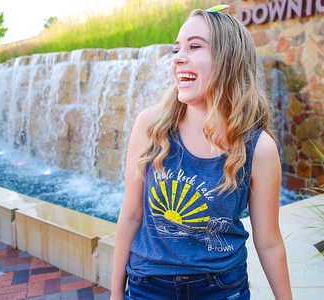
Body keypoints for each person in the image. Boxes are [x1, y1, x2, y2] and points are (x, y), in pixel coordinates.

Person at [110, 5, 292, 300]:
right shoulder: (151, 126)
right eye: (176, 49)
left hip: (221, 288)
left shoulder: (258, 148)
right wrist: (116, 293)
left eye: (194, 46)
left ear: (228, 60)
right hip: (148, 286)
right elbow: (130, 216)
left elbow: (269, 242)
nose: (179, 58)